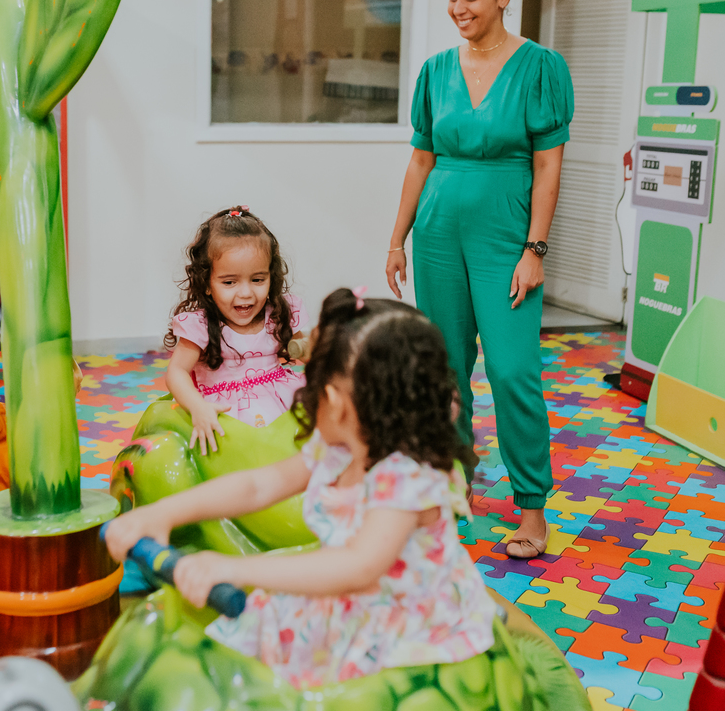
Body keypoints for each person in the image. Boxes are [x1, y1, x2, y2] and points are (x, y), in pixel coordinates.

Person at [106, 288, 494, 689]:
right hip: (348, 603)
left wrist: (232, 568)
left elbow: (360, 566)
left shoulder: (407, 476)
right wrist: (162, 513)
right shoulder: (339, 447)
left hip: (406, 627)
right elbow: (260, 485)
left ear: (333, 401)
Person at [385, 0, 573, 559]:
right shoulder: (436, 71)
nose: (458, 8)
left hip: (505, 235)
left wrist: (535, 248)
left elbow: (548, 168)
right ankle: (451, 485)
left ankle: (531, 508)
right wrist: (397, 238)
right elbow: (420, 159)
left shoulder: (540, 68)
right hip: (438, 229)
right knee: (444, 370)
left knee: (514, 370)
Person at [164, 206, 307, 450]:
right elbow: (176, 372)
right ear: (207, 283)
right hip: (225, 411)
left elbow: (308, 351)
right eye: (229, 282)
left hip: (281, 400)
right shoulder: (200, 324)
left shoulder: (279, 313)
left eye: (258, 279)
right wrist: (198, 407)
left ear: (271, 277)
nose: (246, 293)